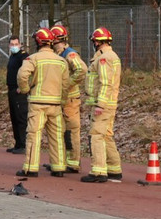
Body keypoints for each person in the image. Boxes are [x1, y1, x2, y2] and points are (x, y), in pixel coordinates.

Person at [16, 27, 70, 177]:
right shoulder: (61, 61)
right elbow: (66, 84)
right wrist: (62, 100)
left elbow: (22, 75)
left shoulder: (33, 58)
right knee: (57, 136)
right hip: (56, 105)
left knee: (34, 135)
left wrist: (25, 89)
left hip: (38, 104)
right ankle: (59, 168)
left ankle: (31, 168)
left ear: (38, 42)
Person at [82, 27, 124, 183]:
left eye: (94, 41)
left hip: (103, 104)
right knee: (106, 135)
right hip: (109, 103)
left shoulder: (104, 58)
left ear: (97, 42)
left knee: (96, 136)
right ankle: (114, 168)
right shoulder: (111, 56)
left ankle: (98, 171)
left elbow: (105, 83)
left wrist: (100, 104)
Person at [50, 24, 88, 174]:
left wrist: (67, 84)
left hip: (70, 99)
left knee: (71, 131)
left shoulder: (70, 54)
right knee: (62, 131)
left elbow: (81, 70)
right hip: (61, 98)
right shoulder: (58, 54)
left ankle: (73, 163)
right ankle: (64, 161)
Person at [5, 35, 28, 154]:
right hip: (11, 90)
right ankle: (18, 143)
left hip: (19, 92)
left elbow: (26, 72)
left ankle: (23, 144)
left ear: (20, 45)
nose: (14, 46)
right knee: (14, 117)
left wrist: (22, 87)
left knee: (21, 118)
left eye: (16, 44)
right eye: (12, 44)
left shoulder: (23, 56)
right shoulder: (12, 56)